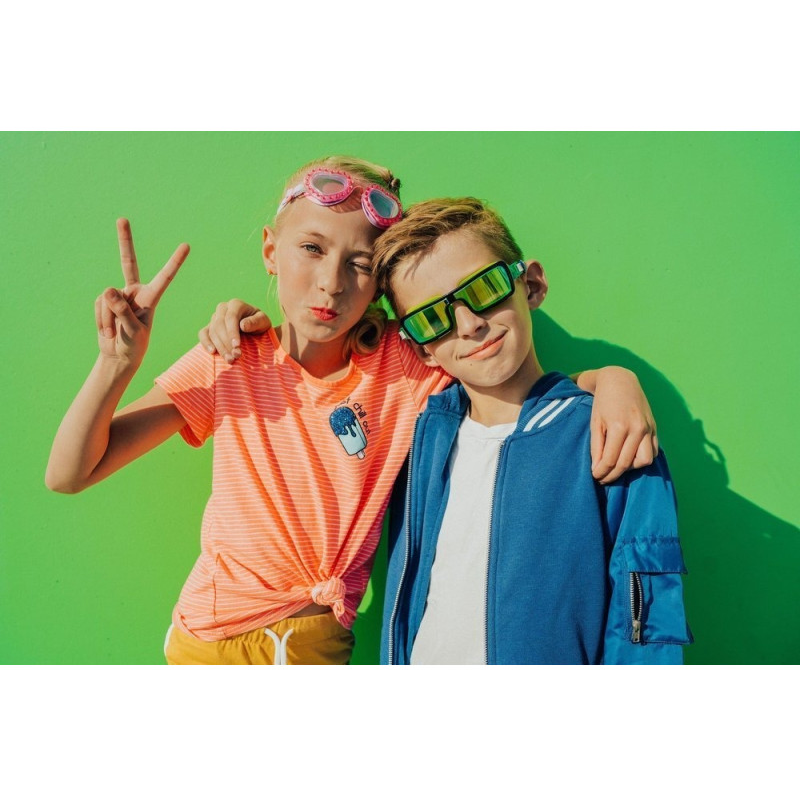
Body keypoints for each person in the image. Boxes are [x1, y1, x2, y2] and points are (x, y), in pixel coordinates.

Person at [47, 156, 660, 665]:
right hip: (208, 640)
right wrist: (116, 364)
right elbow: (70, 473)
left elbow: (500, 372)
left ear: (380, 288)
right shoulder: (228, 359)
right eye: (311, 248)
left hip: (319, 646)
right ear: (270, 250)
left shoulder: (408, 359)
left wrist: (612, 380)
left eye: (359, 264)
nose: (331, 282)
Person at [368, 197, 692, 664]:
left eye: (484, 289)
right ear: (420, 348)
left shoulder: (612, 434)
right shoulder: (416, 441)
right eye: (431, 318)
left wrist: (614, 379)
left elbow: (648, 624)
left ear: (531, 284)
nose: (469, 324)